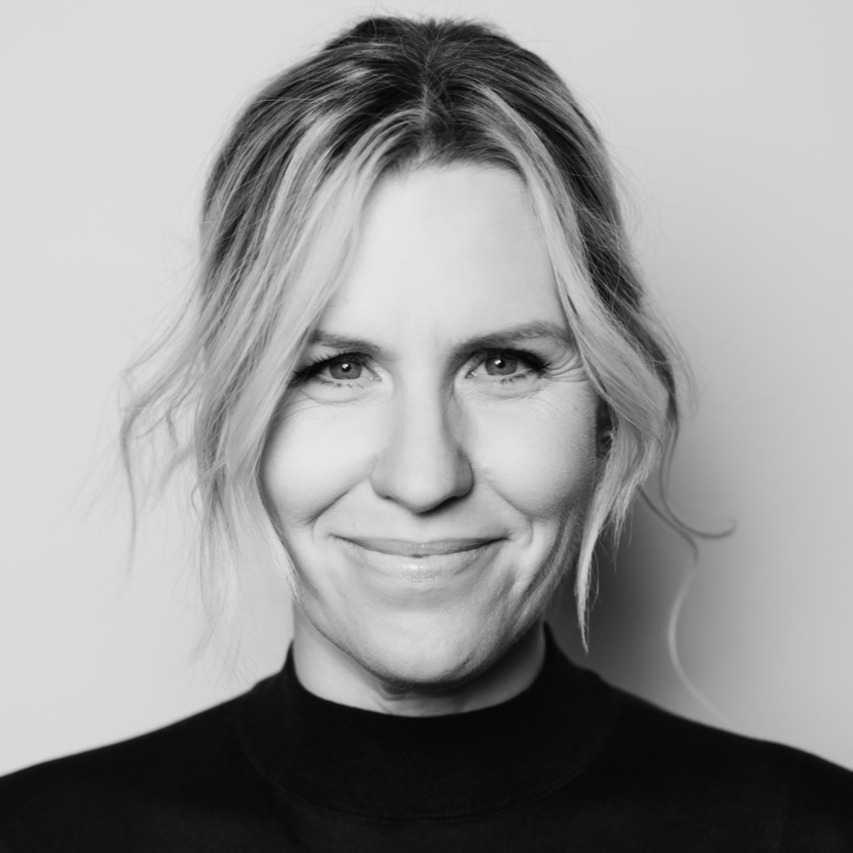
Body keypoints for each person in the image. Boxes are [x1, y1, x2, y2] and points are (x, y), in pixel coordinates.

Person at [1, 15, 852, 852]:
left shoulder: (806, 830)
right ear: (235, 408)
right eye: (336, 367)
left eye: (503, 363)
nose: (423, 477)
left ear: (605, 404)